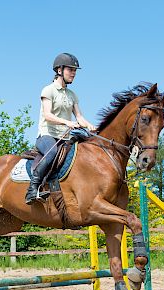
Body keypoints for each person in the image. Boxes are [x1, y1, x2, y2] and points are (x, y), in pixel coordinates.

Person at [25, 53, 97, 204]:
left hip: (65, 138)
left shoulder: (72, 95)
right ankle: (32, 189)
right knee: (51, 154)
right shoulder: (48, 90)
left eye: (75, 70)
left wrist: (90, 125)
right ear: (59, 70)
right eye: (70, 69)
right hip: (47, 135)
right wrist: (67, 123)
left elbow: (79, 117)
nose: (74, 73)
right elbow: (47, 115)